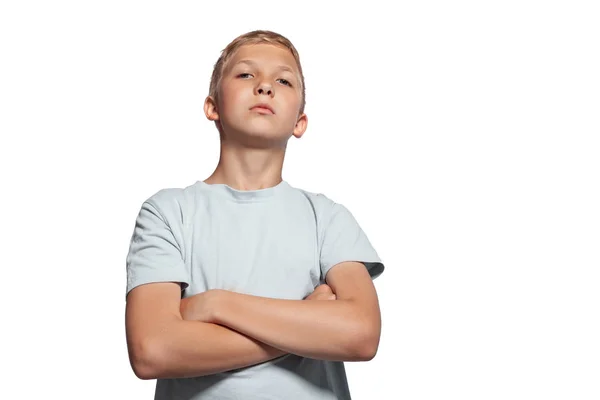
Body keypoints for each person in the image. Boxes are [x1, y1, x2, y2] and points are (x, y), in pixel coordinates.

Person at [125, 29, 385, 400]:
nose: (264, 86)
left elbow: (360, 334)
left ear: (300, 122)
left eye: (283, 79)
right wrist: (305, 326)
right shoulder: (167, 212)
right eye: (246, 74)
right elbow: (153, 350)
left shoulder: (326, 218)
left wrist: (216, 304)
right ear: (212, 106)